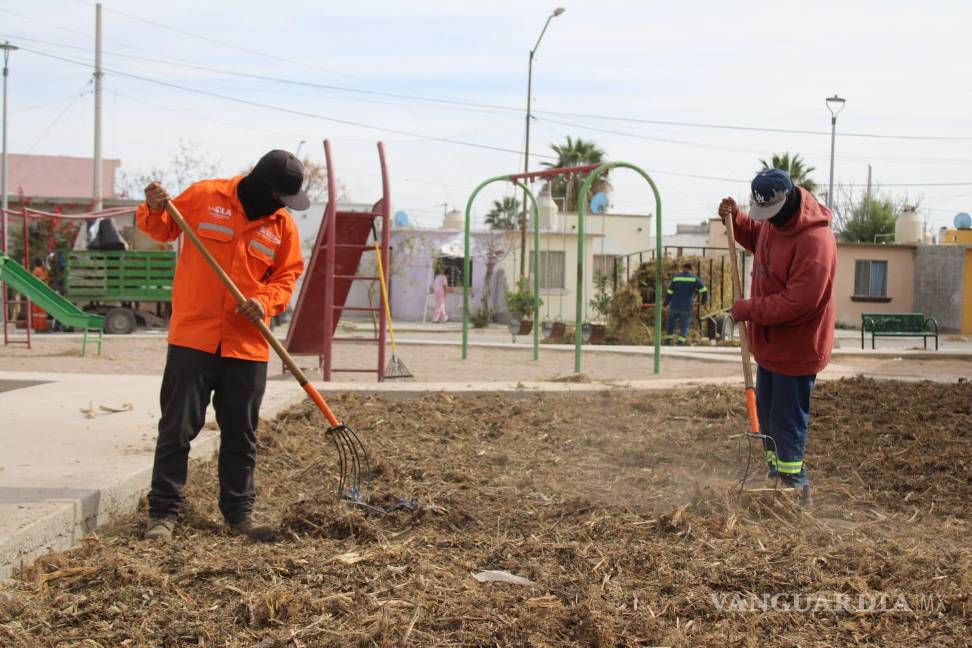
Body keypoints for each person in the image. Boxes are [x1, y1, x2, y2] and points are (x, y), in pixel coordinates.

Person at [137, 150, 307, 542]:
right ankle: (162, 514)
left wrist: (264, 301)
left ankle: (238, 516)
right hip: (193, 339)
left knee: (241, 435)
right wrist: (153, 206)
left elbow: (287, 276)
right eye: (281, 197)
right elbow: (162, 228)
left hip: (247, 347)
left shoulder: (282, 228)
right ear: (265, 189)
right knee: (177, 429)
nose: (284, 206)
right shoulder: (205, 196)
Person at [718, 168, 836, 506]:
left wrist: (749, 309)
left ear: (788, 200)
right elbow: (758, 236)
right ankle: (775, 477)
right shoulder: (774, 223)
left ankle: (795, 489)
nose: (767, 220)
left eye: (771, 213)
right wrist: (736, 220)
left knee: (786, 421)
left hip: (797, 348)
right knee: (768, 417)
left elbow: (798, 302)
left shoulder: (816, 241)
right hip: (770, 346)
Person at [663, 262, 708, 345]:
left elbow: (670, 292)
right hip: (686, 307)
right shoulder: (694, 279)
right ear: (691, 269)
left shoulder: (676, 278)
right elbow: (704, 291)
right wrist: (703, 302)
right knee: (684, 325)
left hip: (674, 306)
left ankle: (668, 341)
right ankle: (680, 343)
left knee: (671, 324)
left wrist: (665, 303)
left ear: (683, 268)